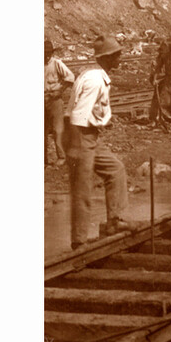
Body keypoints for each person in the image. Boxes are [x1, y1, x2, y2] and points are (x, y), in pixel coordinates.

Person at [64, 35, 130, 250]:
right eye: (117, 55)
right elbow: (78, 114)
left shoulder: (94, 74)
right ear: (108, 57)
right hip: (80, 134)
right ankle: (79, 241)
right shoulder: (94, 80)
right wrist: (75, 147)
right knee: (82, 189)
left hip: (89, 133)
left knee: (115, 169)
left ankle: (114, 220)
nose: (120, 58)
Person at [44, 39, 75, 166]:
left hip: (54, 100)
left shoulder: (57, 63)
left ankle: (61, 157)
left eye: (48, 53)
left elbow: (70, 77)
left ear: (51, 53)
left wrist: (60, 90)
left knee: (58, 129)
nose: (46, 56)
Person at [148, 40, 171, 129]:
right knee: (157, 99)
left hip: (167, 81)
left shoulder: (170, 57)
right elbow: (156, 70)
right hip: (160, 80)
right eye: (161, 51)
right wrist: (155, 79)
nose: (162, 53)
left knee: (164, 100)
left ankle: (162, 118)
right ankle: (154, 119)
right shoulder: (159, 59)